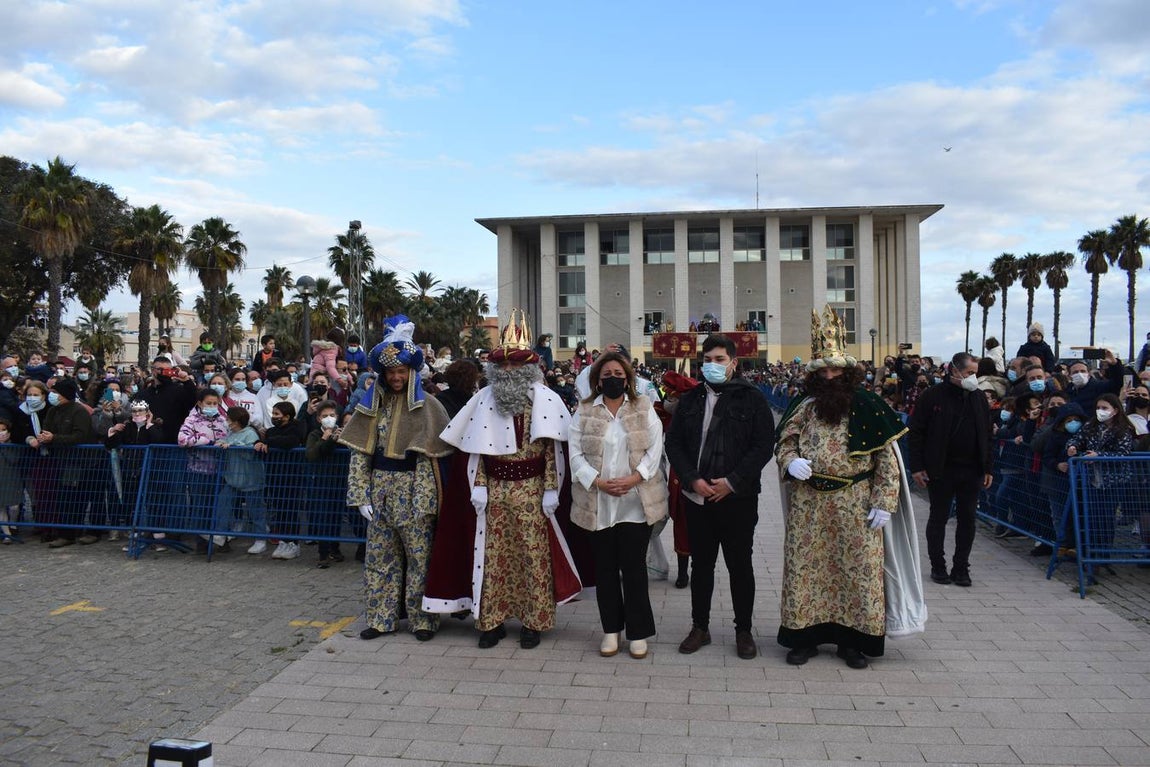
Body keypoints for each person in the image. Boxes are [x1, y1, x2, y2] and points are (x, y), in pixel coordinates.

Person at [423, 309, 583, 650]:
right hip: (493, 492)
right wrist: (478, 485)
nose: (510, 371)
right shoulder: (482, 400)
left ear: (529, 368)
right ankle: (490, 621)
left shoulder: (549, 399)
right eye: (504, 366)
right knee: (492, 558)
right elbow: (475, 451)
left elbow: (554, 449)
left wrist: (551, 490)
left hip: (532, 491)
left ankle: (532, 621)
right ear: (496, 369)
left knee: (532, 556)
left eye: (517, 366)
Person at [774, 306, 921, 669]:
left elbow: (887, 460)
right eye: (822, 369)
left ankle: (852, 642)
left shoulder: (869, 406)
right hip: (809, 504)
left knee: (857, 572)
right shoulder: (804, 407)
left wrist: (885, 501)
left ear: (848, 371)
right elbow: (785, 442)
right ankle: (804, 638)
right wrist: (790, 461)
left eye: (835, 368)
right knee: (806, 570)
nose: (829, 375)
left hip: (856, 503)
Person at [340, 316, 453, 640]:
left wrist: (424, 498)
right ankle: (381, 618)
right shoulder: (371, 405)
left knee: (420, 558)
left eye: (401, 371)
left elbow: (431, 457)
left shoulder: (428, 406)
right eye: (390, 371)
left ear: (411, 372)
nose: (395, 376)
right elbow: (360, 453)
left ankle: (423, 620)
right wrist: (360, 494)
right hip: (379, 491)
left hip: (414, 492)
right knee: (380, 557)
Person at [665, 334, 775, 660]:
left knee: (740, 565)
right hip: (697, 498)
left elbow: (762, 446)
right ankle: (700, 627)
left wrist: (732, 481)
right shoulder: (690, 400)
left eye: (719, 360)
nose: (712, 365)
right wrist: (692, 479)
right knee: (702, 566)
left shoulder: (751, 399)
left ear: (733, 363)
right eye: (708, 360)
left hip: (738, 500)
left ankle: (744, 630)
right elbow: (675, 444)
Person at [568, 352, 667, 660]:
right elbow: (573, 453)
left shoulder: (642, 407)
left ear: (627, 378)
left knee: (634, 569)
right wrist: (596, 481)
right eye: (607, 373)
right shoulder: (584, 410)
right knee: (606, 570)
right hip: (597, 502)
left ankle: (638, 633)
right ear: (598, 379)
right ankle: (611, 631)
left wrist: (635, 478)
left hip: (634, 503)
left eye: (618, 373)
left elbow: (655, 447)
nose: (613, 378)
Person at [907, 352, 993, 587]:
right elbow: (915, 432)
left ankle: (961, 567)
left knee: (968, 520)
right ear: (954, 370)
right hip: (941, 469)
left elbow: (987, 434)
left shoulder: (978, 398)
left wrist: (988, 467)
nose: (973, 378)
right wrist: (917, 467)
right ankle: (938, 566)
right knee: (938, 517)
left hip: (972, 469)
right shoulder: (932, 396)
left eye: (975, 373)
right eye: (969, 373)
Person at [254, 401, 307, 559]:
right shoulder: (270, 431)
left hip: (292, 477)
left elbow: (290, 441)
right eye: (273, 413)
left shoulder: (296, 427)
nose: (274, 417)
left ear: (287, 416)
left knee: (290, 510)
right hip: (274, 476)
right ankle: (283, 540)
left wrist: (268, 442)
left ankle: (293, 543)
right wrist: (258, 443)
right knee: (279, 510)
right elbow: (264, 448)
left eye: (277, 414)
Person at [178, 388, 229, 551]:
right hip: (198, 470)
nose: (212, 406)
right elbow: (182, 439)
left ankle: (219, 540)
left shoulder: (222, 419)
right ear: (200, 403)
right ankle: (202, 541)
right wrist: (205, 441)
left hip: (219, 471)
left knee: (217, 507)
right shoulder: (191, 420)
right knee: (201, 506)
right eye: (209, 403)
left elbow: (229, 436)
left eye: (215, 403)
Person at [212, 407, 266, 553]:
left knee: (256, 511)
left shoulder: (250, 433)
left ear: (236, 421)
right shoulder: (231, 433)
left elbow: (250, 453)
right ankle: (220, 534)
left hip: (251, 480)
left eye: (229, 419)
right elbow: (226, 441)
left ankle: (260, 539)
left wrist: (233, 447)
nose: (227, 422)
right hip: (233, 479)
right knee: (223, 504)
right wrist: (220, 443)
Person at [306, 400, 348, 568]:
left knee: (335, 517)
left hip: (339, 481)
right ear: (318, 419)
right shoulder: (315, 435)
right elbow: (312, 454)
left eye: (331, 415)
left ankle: (334, 548)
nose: (329, 418)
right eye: (325, 416)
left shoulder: (343, 432)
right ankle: (323, 553)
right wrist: (326, 439)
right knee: (323, 517)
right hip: (321, 482)